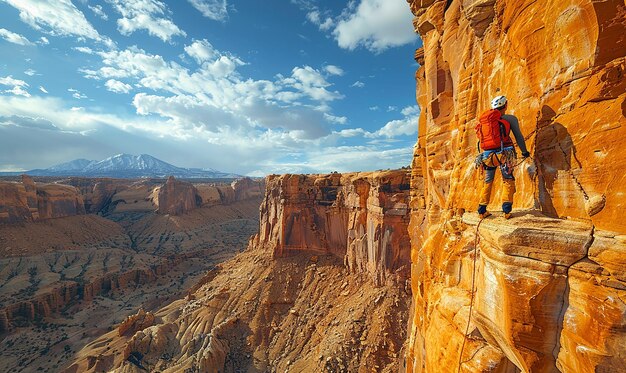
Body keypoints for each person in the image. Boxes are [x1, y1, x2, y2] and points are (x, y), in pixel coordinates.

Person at [475, 95, 529, 219]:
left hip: (488, 155)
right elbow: (518, 137)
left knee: (488, 181)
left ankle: (482, 211)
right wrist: (524, 152)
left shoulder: (486, 122)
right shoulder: (510, 119)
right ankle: (506, 211)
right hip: (506, 153)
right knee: (507, 179)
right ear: (505, 105)